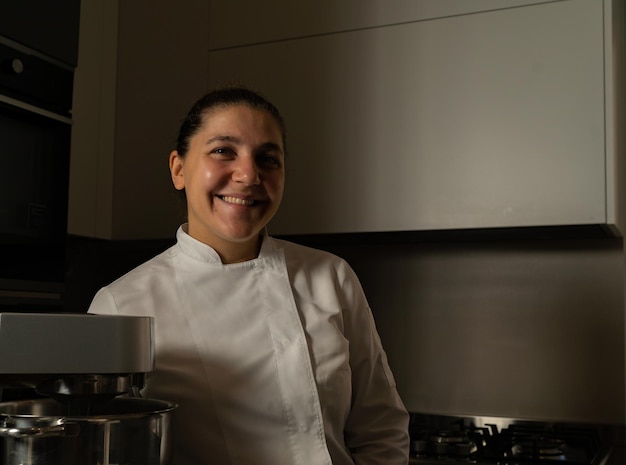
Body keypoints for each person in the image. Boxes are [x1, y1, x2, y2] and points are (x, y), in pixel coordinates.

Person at [87, 86, 410, 465]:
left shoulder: (331, 276)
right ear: (178, 168)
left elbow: (381, 428)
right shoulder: (121, 305)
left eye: (268, 158)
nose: (248, 174)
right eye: (224, 151)